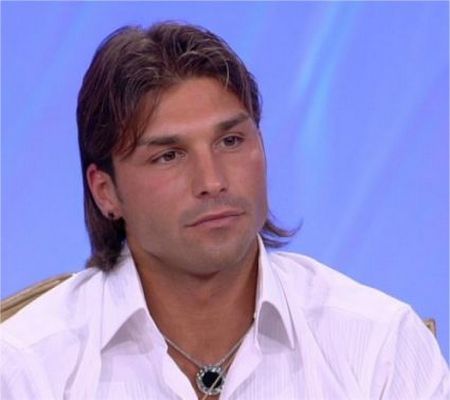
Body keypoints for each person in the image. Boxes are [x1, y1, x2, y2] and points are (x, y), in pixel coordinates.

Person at [1, 22, 448, 400]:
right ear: (106, 192)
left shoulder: (378, 345)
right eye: (169, 156)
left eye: (230, 141)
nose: (212, 181)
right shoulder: (27, 367)